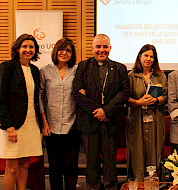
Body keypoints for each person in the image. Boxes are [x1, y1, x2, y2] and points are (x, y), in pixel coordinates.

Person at [72, 34, 131, 189]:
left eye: (105, 47)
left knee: (110, 162)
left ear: (110, 48)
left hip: (111, 122)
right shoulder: (83, 66)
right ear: (92, 48)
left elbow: (124, 94)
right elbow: (77, 93)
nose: (101, 50)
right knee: (91, 162)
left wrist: (106, 111)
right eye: (98, 47)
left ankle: (111, 187)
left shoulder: (120, 68)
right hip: (89, 122)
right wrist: (97, 111)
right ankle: (93, 187)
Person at [0, 34, 43, 190]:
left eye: (31, 47)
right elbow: (1, 98)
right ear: (17, 49)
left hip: (32, 123)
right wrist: (8, 126)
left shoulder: (34, 70)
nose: (28, 50)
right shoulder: (7, 67)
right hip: (14, 125)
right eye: (24, 46)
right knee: (11, 166)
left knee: (25, 164)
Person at [39, 37, 81, 190]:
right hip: (51, 125)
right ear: (56, 51)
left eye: (68, 50)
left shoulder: (77, 70)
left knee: (71, 164)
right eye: (61, 49)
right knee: (54, 165)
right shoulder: (45, 70)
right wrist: (44, 122)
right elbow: (40, 97)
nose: (64, 53)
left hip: (72, 124)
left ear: (72, 54)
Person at [127, 44, 167, 181]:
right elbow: (125, 98)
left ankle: (155, 182)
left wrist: (156, 100)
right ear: (139, 57)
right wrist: (139, 102)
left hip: (156, 119)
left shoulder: (160, 76)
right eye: (146, 55)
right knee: (138, 151)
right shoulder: (131, 76)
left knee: (155, 150)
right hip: (137, 119)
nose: (148, 59)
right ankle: (138, 182)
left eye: (151, 56)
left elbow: (166, 97)